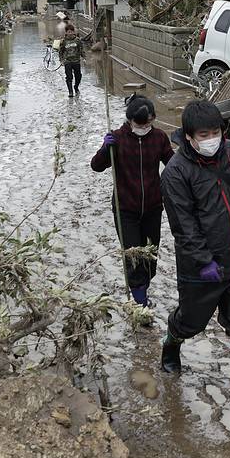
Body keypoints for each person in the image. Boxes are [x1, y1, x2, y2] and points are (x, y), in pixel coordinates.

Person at [160, 100, 230, 397]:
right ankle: (171, 342)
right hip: (201, 269)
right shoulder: (175, 173)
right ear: (188, 137)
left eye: (215, 132)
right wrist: (204, 261)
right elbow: (183, 227)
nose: (211, 140)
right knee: (191, 321)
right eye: (203, 135)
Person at [91, 95, 174, 307]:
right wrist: (104, 149)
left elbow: (173, 166)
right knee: (133, 256)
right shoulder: (117, 139)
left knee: (149, 257)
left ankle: (142, 290)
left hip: (153, 207)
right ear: (130, 121)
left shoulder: (159, 138)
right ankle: (140, 304)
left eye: (148, 123)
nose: (144, 127)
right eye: (139, 124)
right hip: (125, 208)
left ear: (153, 119)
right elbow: (97, 166)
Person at [59, 24, 84, 97]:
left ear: (73, 32)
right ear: (66, 32)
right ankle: (70, 92)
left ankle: (76, 87)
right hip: (67, 61)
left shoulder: (77, 40)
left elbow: (81, 49)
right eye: (68, 32)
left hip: (76, 61)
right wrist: (61, 60)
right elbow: (61, 51)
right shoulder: (63, 41)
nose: (70, 33)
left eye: (71, 32)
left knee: (78, 76)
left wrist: (84, 57)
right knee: (69, 77)